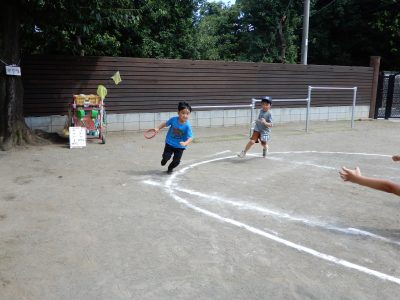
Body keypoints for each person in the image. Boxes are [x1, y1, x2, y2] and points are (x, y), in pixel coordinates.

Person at [154, 101, 193, 174]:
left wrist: (185, 143)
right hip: (169, 143)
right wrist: (158, 128)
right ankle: (164, 159)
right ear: (178, 112)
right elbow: (165, 124)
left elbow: (190, 137)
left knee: (177, 161)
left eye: (187, 114)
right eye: (183, 113)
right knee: (166, 157)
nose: (185, 115)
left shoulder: (187, 126)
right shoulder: (173, 120)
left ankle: (170, 168)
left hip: (179, 147)